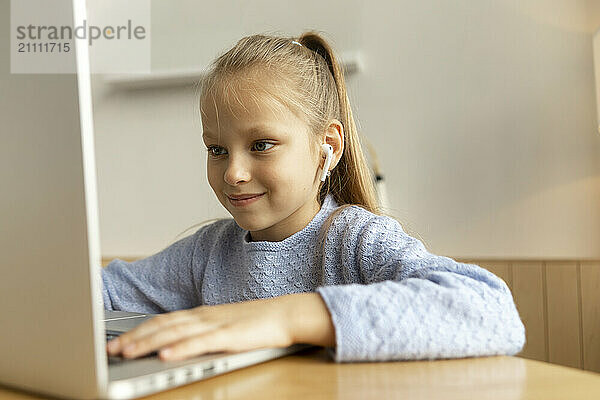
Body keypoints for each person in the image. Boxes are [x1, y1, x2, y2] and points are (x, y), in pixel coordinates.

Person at [103, 31, 526, 363]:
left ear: (329, 146)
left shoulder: (355, 239)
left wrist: (286, 317)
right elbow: (99, 293)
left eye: (262, 144)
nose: (233, 172)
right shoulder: (207, 253)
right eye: (216, 150)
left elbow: (491, 309)